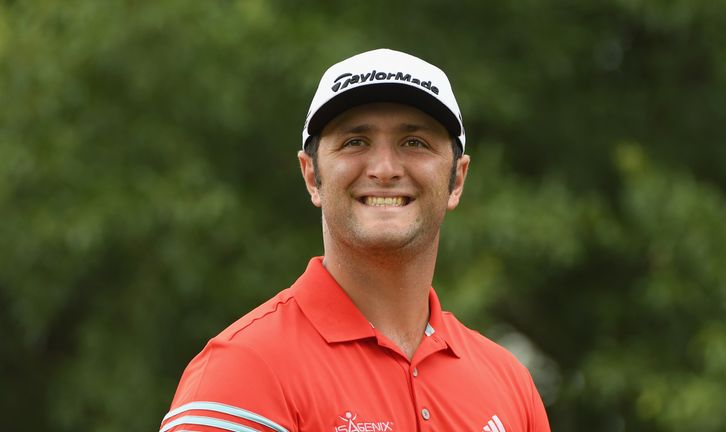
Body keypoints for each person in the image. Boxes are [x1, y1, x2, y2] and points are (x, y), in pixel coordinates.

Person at [159, 48, 551, 432]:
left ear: (457, 180)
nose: (384, 169)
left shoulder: (510, 384)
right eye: (355, 142)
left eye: (414, 142)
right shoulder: (243, 371)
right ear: (312, 175)